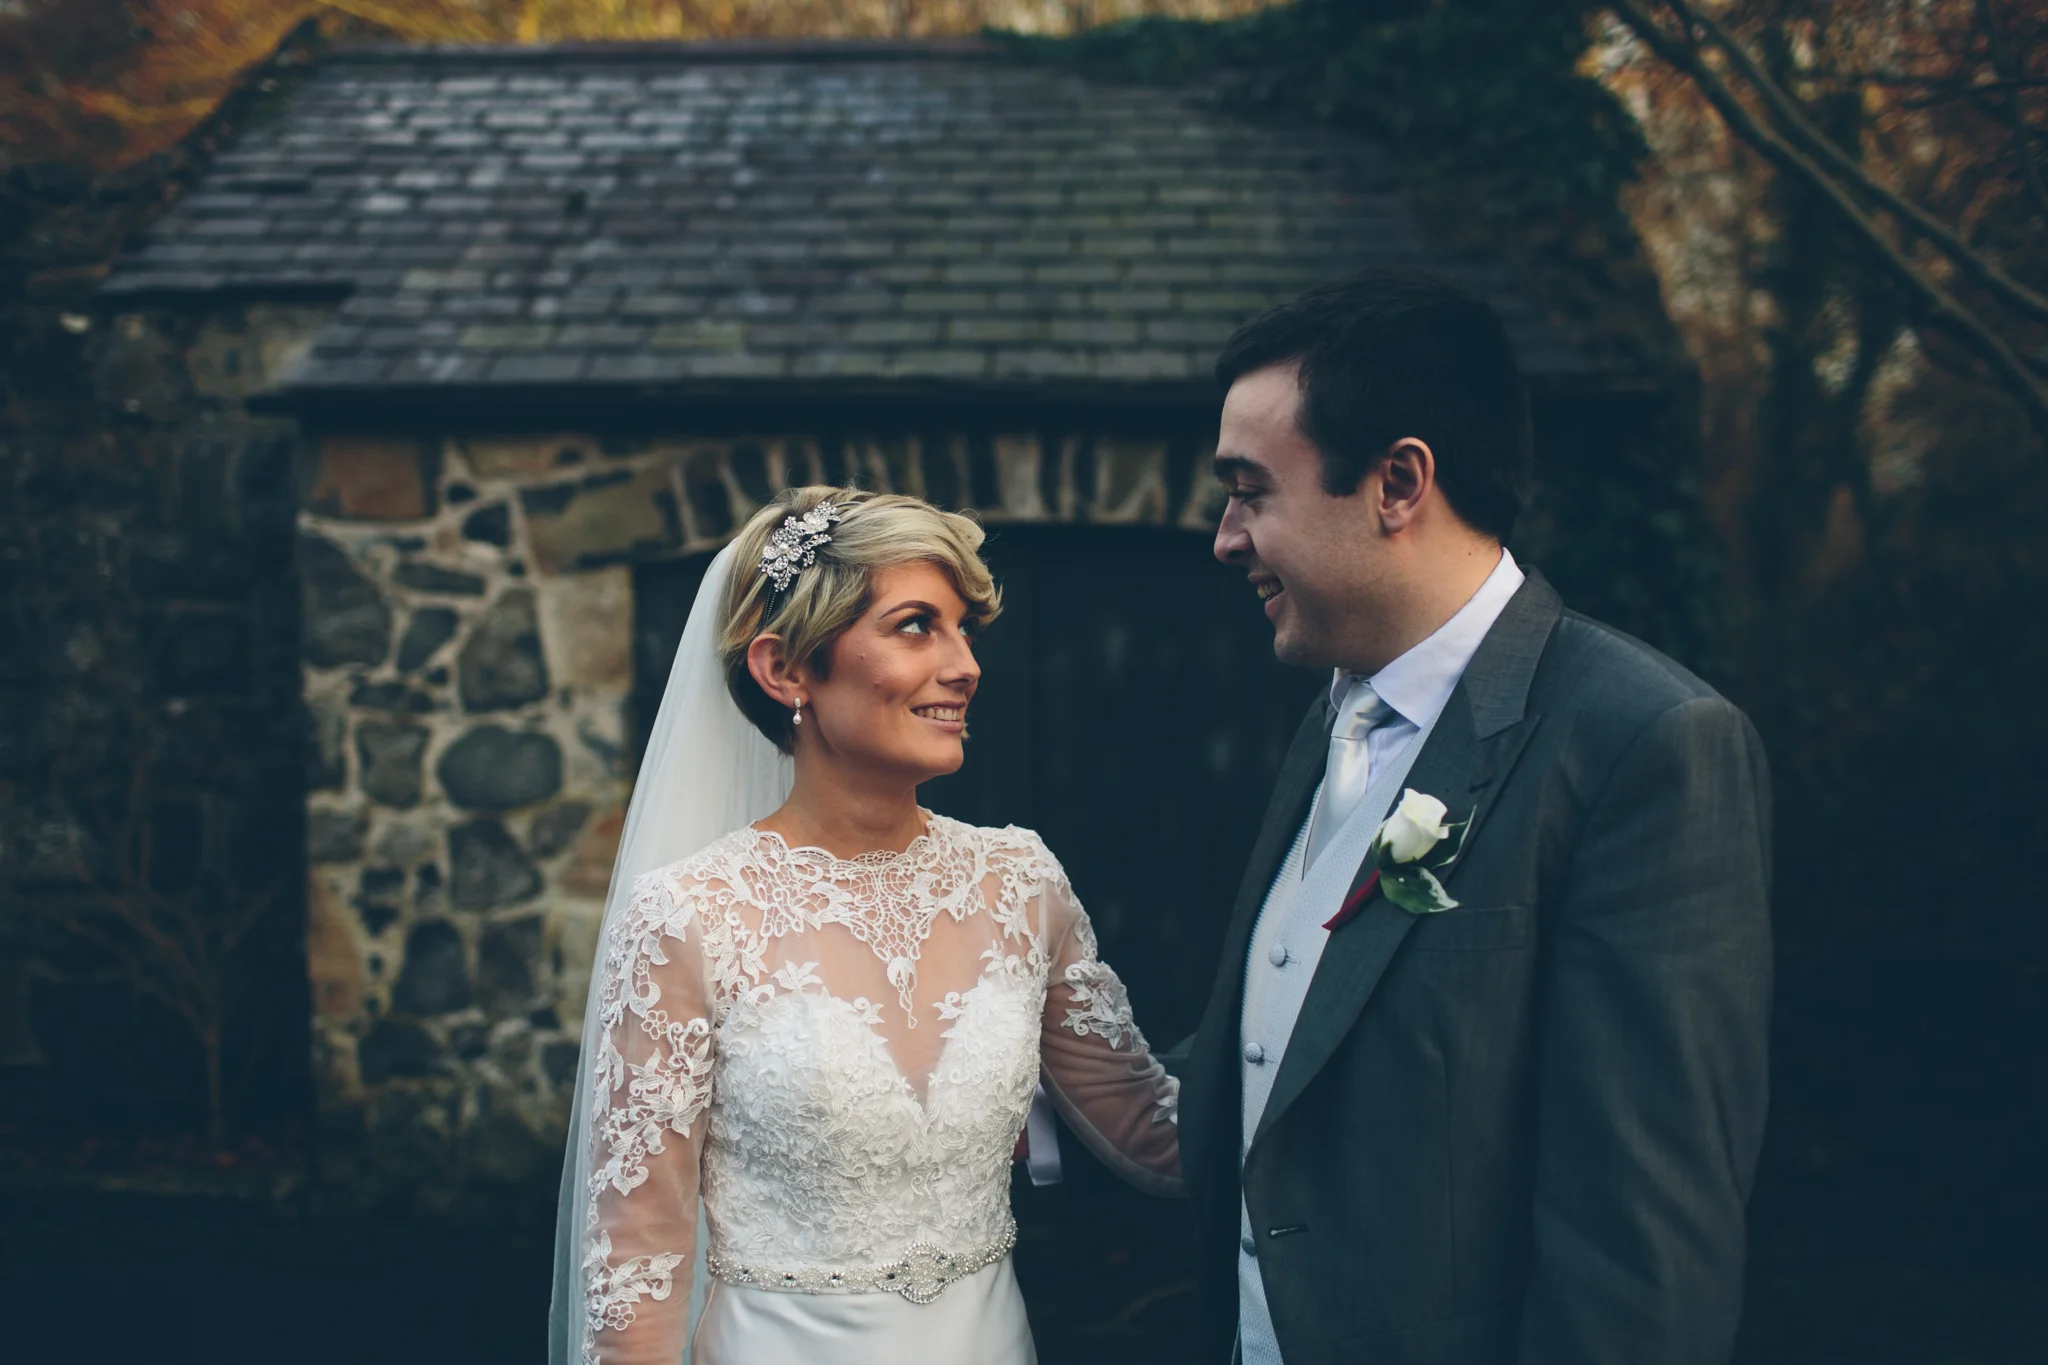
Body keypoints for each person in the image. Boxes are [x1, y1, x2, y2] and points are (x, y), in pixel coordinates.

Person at [1177, 269, 1773, 1365]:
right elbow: (1281, 1063)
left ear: (1396, 482)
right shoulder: (1332, 722)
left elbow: (1643, 1252)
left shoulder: (1643, 743)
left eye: (1249, 490)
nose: (1224, 537)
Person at [547, 487, 1181, 1365]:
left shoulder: (1020, 882)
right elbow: (638, 1259)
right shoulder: (690, 915)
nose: (965, 664)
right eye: (918, 625)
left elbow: (1152, 1129)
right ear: (787, 670)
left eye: (964, 630)